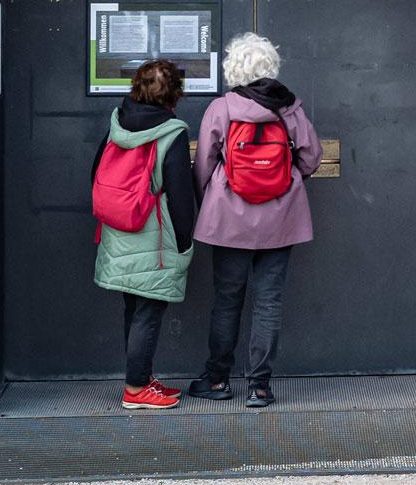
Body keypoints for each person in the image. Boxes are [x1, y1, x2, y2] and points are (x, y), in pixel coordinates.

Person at [188, 33, 323, 408]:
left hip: (229, 220)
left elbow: (204, 165)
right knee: (269, 301)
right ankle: (259, 387)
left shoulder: (222, 107)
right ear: (271, 66)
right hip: (281, 219)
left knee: (227, 300)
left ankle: (217, 380)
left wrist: (211, 202)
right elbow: (311, 159)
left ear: (234, 68)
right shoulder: (289, 108)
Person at [90, 59, 198, 410]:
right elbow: (181, 196)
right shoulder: (172, 132)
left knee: (134, 308)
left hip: (118, 231)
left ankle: (140, 377)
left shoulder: (117, 121)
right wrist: (185, 244)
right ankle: (136, 389)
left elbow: (96, 170)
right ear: (174, 95)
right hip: (154, 239)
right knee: (149, 312)